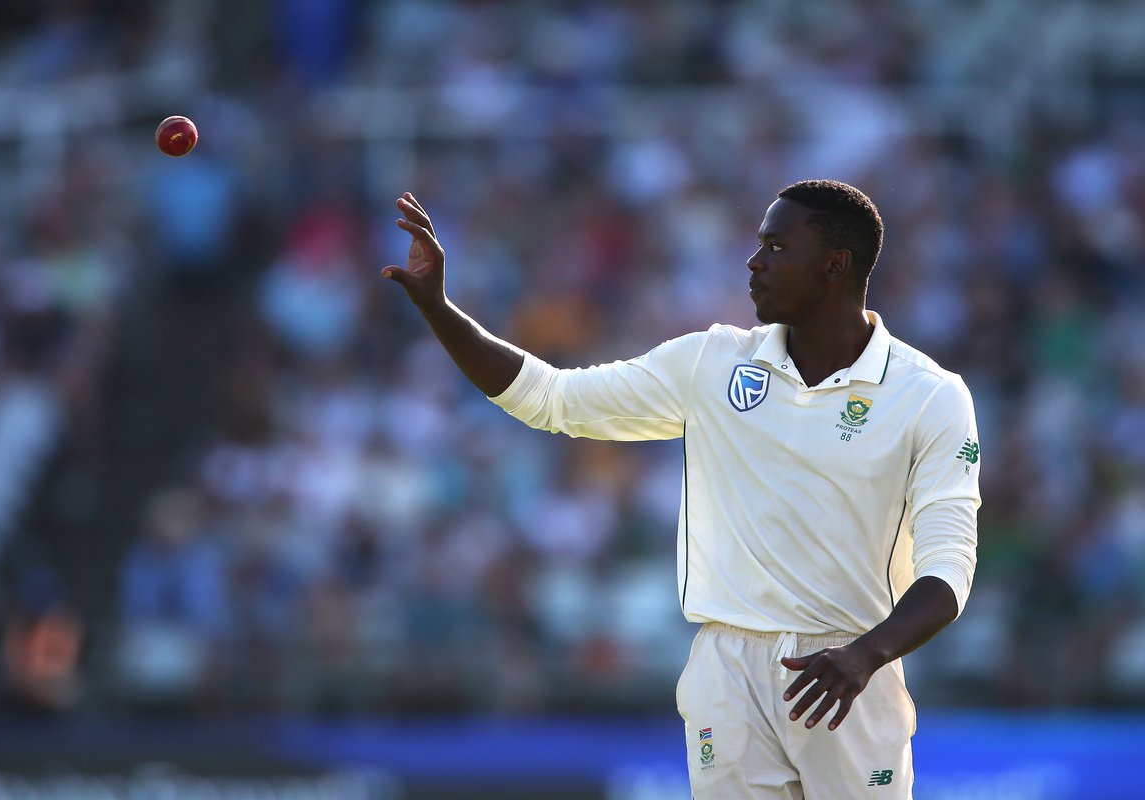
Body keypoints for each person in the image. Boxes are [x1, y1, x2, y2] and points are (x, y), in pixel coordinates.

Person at [381, 180, 980, 799]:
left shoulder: (929, 396)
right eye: (759, 244)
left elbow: (949, 569)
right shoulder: (711, 363)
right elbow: (551, 398)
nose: (754, 262)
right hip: (727, 670)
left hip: (848, 675)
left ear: (836, 265)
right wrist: (438, 308)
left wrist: (865, 655)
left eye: (777, 247)